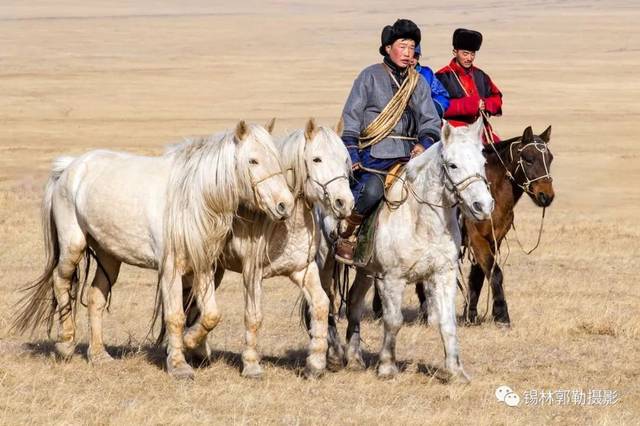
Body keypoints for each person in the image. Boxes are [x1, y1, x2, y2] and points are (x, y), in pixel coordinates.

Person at [336, 19, 442, 265]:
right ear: (387, 48)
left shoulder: (418, 82)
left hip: (410, 156)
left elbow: (430, 121)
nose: (408, 53)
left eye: (412, 47)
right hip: (374, 156)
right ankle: (347, 235)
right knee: (372, 190)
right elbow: (351, 119)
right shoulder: (369, 76)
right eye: (402, 46)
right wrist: (353, 156)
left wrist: (423, 144)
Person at [436, 28, 502, 142]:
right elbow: (437, 106)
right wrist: (471, 105)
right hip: (454, 133)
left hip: (481, 131)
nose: (469, 58)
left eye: (472, 54)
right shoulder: (442, 76)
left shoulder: (481, 75)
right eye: (465, 54)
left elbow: (497, 98)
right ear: (455, 52)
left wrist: (486, 104)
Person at [412, 44, 449, 118]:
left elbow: (442, 95)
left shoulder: (426, 73)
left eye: (415, 56)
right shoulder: (389, 73)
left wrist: (432, 109)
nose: (412, 60)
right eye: (409, 55)